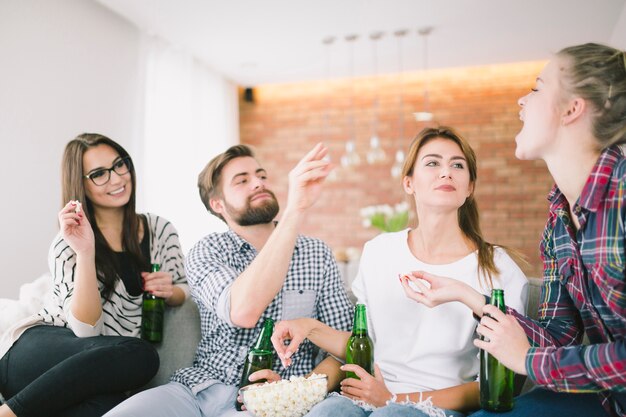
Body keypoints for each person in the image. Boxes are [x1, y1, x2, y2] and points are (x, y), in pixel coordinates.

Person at [400, 43, 626, 417]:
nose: (522, 101)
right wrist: (470, 296)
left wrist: (529, 362)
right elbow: (556, 337)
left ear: (572, 108)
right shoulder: (558, 222)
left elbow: (536, 358)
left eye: (537, 88)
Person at [272, 127, 529, 417]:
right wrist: (309, 327)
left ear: (469, 187)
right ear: (409, 183)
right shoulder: (379, 251)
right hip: (366, 395)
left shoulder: (498, 268)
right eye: (433, 163)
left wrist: (395, 398)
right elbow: (364, 343)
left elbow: (496, 384)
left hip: (436, 408)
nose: (446, 172)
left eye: (458, 165)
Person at [103, 143, 353, 417]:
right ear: (217, 204)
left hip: (273, 402)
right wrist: (296, 210)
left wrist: (293, 394)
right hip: (200, 391)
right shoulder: (207, 251)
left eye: (261, 175)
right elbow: (243, 311)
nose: (258, 183)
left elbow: (345, 346)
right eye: (242, 181)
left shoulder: (315, 253)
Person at [0, 133, 188, 417]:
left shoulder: (160, 230)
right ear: (81, 185)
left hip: (93, 372)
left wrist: (170, 291)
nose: (116, 179)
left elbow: (183, 288)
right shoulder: (67, 243)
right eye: (99, 173)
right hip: (40, 352)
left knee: (112, 409)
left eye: (119, 165)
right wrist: (86, 253)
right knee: (142, 355)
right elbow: (86, 331)